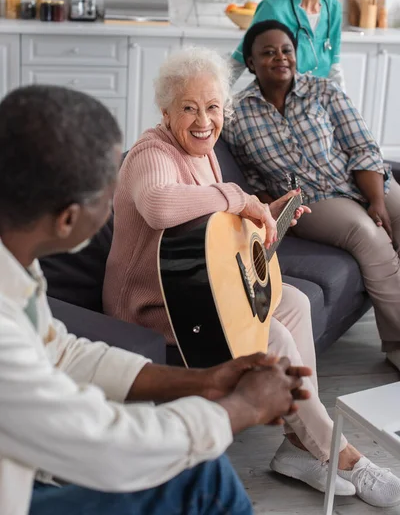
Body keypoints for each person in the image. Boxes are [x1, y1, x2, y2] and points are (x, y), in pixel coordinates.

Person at [103, 46, 400, 508]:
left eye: (213, 107)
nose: (204, 120)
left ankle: (299, 446)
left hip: (197, 288)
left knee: (296, 303)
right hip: (155, 305)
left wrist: (266, 224)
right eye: (189, 108)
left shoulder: (205, 154)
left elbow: (212, 246)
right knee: (274, 338)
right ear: (165, 112)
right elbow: (160, 206)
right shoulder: (151, 153)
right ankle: (343, 456)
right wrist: (240, 198)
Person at [0, 84, 315, 515]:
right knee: (206, 475)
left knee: (206, 475)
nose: (117, 200)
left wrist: (205, 381)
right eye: (109, 190)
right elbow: (110, 449)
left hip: (26, 469)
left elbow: (58, 350)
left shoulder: (16, 261)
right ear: (67, 219)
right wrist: (241, 408)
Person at [223, 18, 400, 375]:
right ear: (251, 62)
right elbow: (254, 176)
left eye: (286, 50)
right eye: (268, 52)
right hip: (313, 201)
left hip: (359, 180)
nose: (280, 58)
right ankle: (398, 344)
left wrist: (377, 200)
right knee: (371, 237)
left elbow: (362, 148)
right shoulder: (235, 115)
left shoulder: (324, 91)